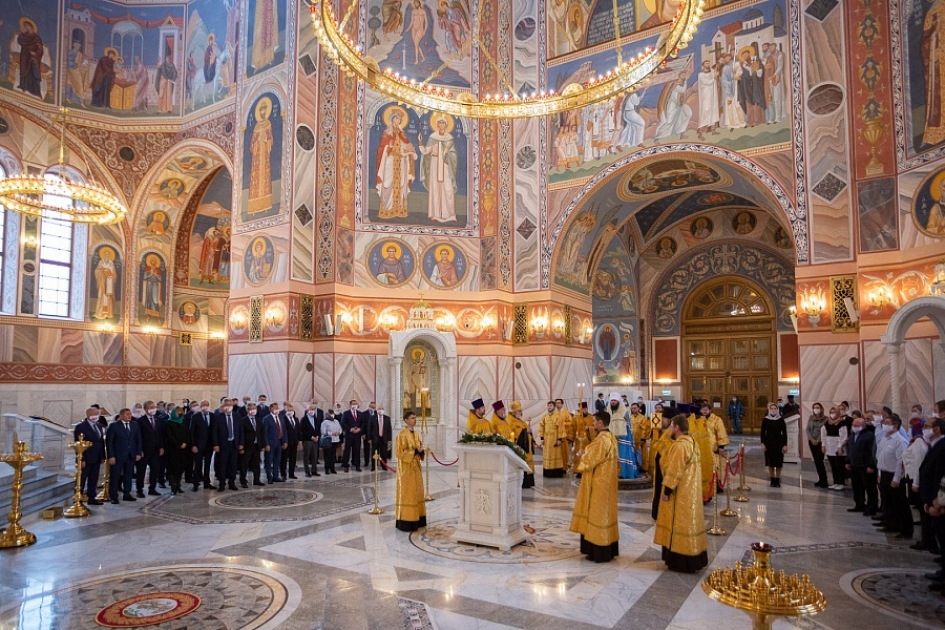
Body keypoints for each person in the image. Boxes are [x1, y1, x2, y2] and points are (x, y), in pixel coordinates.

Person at [654, 414, 708, 573]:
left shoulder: (679, 446)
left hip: (680, 494)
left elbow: (674, 471)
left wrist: (667, 490)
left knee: (678, 526)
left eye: (671, 426)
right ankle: (693, 559)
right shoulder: (692, 443)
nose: (670, 429)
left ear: (677, 427)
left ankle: (680, 562)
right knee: (689, 525)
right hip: (690, 493)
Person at [570, 410, 620, 563]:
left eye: (594, 422)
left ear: (600, 423)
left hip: (598, 485)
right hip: (608, 484)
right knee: (606, 514)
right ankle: (608, 549)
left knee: (596, 516)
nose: (592, 424)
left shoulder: (600, 441)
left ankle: (598, 552)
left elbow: (588, 461)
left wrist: (581, 453)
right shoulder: (611, 437)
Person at [376, 109, 416, 218]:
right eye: (396, 118)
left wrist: (409, 149)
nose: (397, 120)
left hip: (401, 163)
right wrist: (389, 149)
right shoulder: (387, 132)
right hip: (390, 161)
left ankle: (399, 209)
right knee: (388, 184)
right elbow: (381, 148)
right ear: (392, 119)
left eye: (399, 119)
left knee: (401, 184)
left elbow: (405, 145)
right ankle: (387, 209)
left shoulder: (402, 133)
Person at [875, 415, 911, 538]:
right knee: (888, 502)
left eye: (887, 422)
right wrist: (880, 473)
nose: (884, 424)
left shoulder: (900, 440)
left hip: (894, 475)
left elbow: (901, 461)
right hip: (884, 473)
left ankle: (906, 530)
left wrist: (896, 478)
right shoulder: (885, 439)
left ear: (895, 426)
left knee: (899, 503)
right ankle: (891, 524)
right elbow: (880, 457)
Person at [419, 116, 458, 223]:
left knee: (448, 189)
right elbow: (426, 151)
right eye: (439, 123)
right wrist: (420, 143)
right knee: (435, 189)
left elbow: (454, 154)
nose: (441, 125)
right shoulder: (433, 137)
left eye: (443, 123)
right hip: (434, 164)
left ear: (446, 125)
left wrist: (447, 153)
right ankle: (435, 214)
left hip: (445, 165)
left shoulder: (449, 138)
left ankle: (450, 215)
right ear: (437, 125)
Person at [395, 411, 427, 531]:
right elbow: (398, 453)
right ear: (406, 420)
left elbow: (419, 448)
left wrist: (421, 451)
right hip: (406, 470)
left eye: (415, 418)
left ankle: (418, 519)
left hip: (416, 469)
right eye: (412, 418)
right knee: (408, 494)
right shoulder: (402, 435)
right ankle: (407, 521)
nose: (415, 420)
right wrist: (414, 452)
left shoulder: (417, 434)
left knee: (417, 493)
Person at [106, 408, 143, 503]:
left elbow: (138, 439)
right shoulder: (114, 426)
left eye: (130, 414)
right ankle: (113, 496)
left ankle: (127, 493)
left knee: (128, 475)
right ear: (121, 415)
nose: (129, 416)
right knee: (115, 476)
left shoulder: (135, 425)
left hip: (131, 455)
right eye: (127, 414)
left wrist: (138, 452)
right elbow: (109, 442)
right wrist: (111, 456)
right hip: (118, 455)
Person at [846, 413, 877, 514]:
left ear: (863, 426)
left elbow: (872, 452)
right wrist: (848, 461)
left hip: (865, 465)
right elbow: (850, 448)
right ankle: (859, 504)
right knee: (857, 486)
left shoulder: (869, 436)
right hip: (854, 464)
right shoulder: (853, 435)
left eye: (857, 425)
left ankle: (872, 507)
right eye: (853, 425)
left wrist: (871, 465)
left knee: (869, 487)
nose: (854, 427)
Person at [74, 407, 105, 506]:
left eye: (97, 413)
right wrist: (81, 459)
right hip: (86, 458)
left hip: (97, 457)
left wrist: (102, 456)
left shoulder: (99, 426)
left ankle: (92, 497)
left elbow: (101, 442)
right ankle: (78, 498)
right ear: (88, 415)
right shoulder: (81, 427)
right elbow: (78, 444)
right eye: (94, 414)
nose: (96, 416)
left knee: (94, 478)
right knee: (82, 478)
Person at [135, 401, 165, 498]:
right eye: (151, 407)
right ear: (146, 409)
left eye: (154, 407)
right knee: (141, 471)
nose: (153, 409)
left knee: (155, 469)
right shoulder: (140, 421)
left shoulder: (158, 419)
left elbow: (160, 435)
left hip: (155, 450)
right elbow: (138, 437)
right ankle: (139, 490)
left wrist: (161, 447)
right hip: (144, 450)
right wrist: (139, 450)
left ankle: (152, 488)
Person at [213, 400, 243, 491]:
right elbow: (214, 432)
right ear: (223, 406)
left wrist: (241, 443)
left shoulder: (237, 416)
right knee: (222, 465)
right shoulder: (218, 417)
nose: (228, 406)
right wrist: (215, 444)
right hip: (223, 445)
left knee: (233, 465)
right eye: (226, 405)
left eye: (230, 405)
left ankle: (232, 483)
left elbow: (241, 431)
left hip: (234, 444)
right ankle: (222, 484)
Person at [650, 412, 673, 520]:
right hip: (660, 467)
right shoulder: (666, 432)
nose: (660, 420)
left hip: (664, 470)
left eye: (663, 418)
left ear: (668, 420)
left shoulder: (670, 433)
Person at [163, 406, 190, 494]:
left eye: (181, 412)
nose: (180, 414)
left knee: (180, 468)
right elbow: (169, 436)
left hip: (183, 449)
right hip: (173, 449)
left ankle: (178, 484)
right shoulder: (169, 423)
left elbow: (187, 434)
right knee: (172, 468)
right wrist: (178, 444)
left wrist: (185, 443)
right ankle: (173, 486)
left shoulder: (183, 422)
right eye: (178, 412)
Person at [189, 400, 216, 491]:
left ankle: (207, 482)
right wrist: (193, 445)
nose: (205, 406)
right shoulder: (196, 417)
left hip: (209, 445)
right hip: (198, 445)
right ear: (201, 406)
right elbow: (191, 432)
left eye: (207, 405)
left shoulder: (212, 416)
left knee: (208, 464)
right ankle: (196, 483)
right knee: (198, 464)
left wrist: (215, 444)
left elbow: (214, 431)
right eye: (203, 405)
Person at [760, 402, 788, 487]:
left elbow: (784, 433)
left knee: (778, 463)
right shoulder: (765, 420)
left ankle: (778, 480)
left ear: (777, 410)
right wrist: (762, 443)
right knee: (771, 463)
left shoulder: (781, 420)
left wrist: (785, 444)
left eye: (775, 408)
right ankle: (772, 480)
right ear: (769, 409)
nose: (773, 410)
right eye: (771, 408)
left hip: (779, 443)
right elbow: (762, 433)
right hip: (769, 443)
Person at [16, 19, 45, 99]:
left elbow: (40, 49)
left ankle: (37, 91)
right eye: (25, 26)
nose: (26, 27)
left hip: (34, 58)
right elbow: (20, 41)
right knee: (24, 71)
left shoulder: (36, 38)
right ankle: (24, 86)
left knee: (35, 73)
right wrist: (21, 33)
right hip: (25, 56)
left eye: (28, 26)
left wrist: (35, 53)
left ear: (31, 27)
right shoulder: (24, 35)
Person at [509, 401, 535, 489]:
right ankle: (523, 482)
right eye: (519, 411)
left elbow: (527, 433)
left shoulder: (522, 422)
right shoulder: (511, 422)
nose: (521, 412)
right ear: (514, 412)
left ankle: (529, 482)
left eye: (521, 411)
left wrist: (530, 433)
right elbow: (513, 435)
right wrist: (525, 432)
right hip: (520, 448)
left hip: (527, 448)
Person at [239, 403, 265, 486]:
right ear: (247, 410)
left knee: (256, 464)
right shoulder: (243, 420)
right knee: (244, 464)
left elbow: (261, 433)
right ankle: (243, 481)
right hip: (247, 445)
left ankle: (257, 480)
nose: (253, 410)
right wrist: (241, 446)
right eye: (251, 409)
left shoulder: (259, 419)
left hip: (256, 445)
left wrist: (263, 445)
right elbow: (241, 433)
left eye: (255, 408)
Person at [824, 406, 848, 490]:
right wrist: (824, 445)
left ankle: (841, 483)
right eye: (831, 412)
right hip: (830, 446)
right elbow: (825, 434)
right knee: (833, 466)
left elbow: (844, 436)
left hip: (839, 447)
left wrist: (840, 446)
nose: (833, 414)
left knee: (839, 466)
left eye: (834, 412)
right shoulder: (827, 422)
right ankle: (836, 482)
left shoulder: (842, 423)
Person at [806, 402, 830, 488]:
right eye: (814, 407)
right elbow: (807, 429)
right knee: (816, 461)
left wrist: (818, 440)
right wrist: (811, 439)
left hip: (820, 442)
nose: (816, 409)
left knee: (820, 461)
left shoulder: (826, 419)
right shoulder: (811, 418)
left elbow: (825, 431)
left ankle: (824, 480)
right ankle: (820, 479)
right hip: (811, 441)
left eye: (817, 407)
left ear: (821, 408)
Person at [539, 400, 566, 477]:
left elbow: (561, 428)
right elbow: (541, 427)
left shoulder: (558, 416)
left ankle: (556, 473)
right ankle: (547, 472)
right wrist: (542, 438)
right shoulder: (544, 417)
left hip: (555, 438)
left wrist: (559, 439)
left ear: (554, 407)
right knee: (547, 455)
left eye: (551, 405)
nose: (549, 407)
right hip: (547, 439)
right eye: (548, 405)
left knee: (556, 454)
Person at [261, 402, 285, 483]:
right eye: (275, 408)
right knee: (268, 461)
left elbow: (283, 430)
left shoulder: (281, 418)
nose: (276, 410)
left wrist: (284, 441)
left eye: (277, 408)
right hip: (270, 443)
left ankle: (276, 476)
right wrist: (266, 444)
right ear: (271, 409)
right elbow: (264, 433)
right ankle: (269, 477)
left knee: (277, 460)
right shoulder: (266, 419)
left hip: (279, 442)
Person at [696, 60, 720, 140]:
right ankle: (700, 132)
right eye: (706, 63)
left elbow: (715, 76)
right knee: (706, 111)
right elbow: (707, 83)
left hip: (712, 93)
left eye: (709, 63)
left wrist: (716, 74)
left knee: (713, 110)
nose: (708, 64)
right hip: (706, 94)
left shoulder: (711, 72)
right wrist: (714, 77)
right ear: (703, 65)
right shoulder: (701, 75)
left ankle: (713, 129)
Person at [572, 402, 597, 473]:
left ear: (587, 409)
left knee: (587, 455)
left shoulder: (591, 417)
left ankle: (587, 470)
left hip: (588, 441)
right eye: (582, 409)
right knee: (578, 456)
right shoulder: (576, 418)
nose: (584, 410)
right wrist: (571, 439)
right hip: (578, 441)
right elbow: (573, 428)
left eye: (585, 409)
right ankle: (578, 471)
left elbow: (595, 427)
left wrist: (589, 428)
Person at [300, 403, 323, 477]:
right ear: (307, 410)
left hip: (315, 440)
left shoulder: (316, 419)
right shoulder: (304, 419)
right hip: (307, 440)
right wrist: (311, 437)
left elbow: (318, 428)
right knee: (306, 456)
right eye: (310, 409)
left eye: (313, 409)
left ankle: (314, 470)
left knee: (314, 456)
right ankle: (307, 471)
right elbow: (303, 430)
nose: (312, 411)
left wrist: (317, 436)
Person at [341, 400, 365, 472]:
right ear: (350, 405)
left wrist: (359, 429)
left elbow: (363, 423)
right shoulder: (346, 413)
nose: (354, 405)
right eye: (353, 404)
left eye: (356, 404)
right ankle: (345, 465)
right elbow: (343, 423)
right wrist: (350, 429)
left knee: (357, 450)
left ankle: (357, 465)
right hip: (349, 435)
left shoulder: (360, 413)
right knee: (347, 450)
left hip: (357, 435)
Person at [368, 404, 393, 470]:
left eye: (382, 409)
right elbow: (369, 429)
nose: (380, 410)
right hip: (375, 438)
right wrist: (369, 438)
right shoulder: (372, 418)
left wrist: (389, 439)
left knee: (383, 453)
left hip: (384, 438)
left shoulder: (387, 418)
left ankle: (384, 466)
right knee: (374, 453)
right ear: (377, 410)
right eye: (379, 409)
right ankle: (374, 466)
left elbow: (389, 429)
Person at [279, 403, 300, 480]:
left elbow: (298, 430)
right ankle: (283, 474)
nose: (291, 412)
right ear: (286, 411)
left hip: (294, 442)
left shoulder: (296, 419)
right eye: (289, 410)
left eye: (292, 410)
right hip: (286, 442)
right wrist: (284, 441)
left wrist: (299, 440)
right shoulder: (283, 419)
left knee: (293, 459)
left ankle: (291, 473)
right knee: (284, 459)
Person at [629, 403, 650, 472]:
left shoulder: (643, 418)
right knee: (632, 454)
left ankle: (641, 468)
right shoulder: (630, 417)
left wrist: (643, 438)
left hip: (640, 439)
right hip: (632, 439)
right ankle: (633, 468)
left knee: (640, 455)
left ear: (638, 408)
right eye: (632, 408)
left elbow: (645, 429)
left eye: (635, 408)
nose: (633, 409)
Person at [321, 410, 342, 474]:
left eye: (333, 414)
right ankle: (327, 468)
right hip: (328, 440)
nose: (332, 415)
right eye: (331, 414)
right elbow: (323, 432)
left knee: (333, 455)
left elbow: (340, 429)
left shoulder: (336, 421)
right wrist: (331, 433)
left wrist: (338, 432)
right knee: (327, 455)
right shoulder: (325, 422)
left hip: (335, 440)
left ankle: (332, 468)